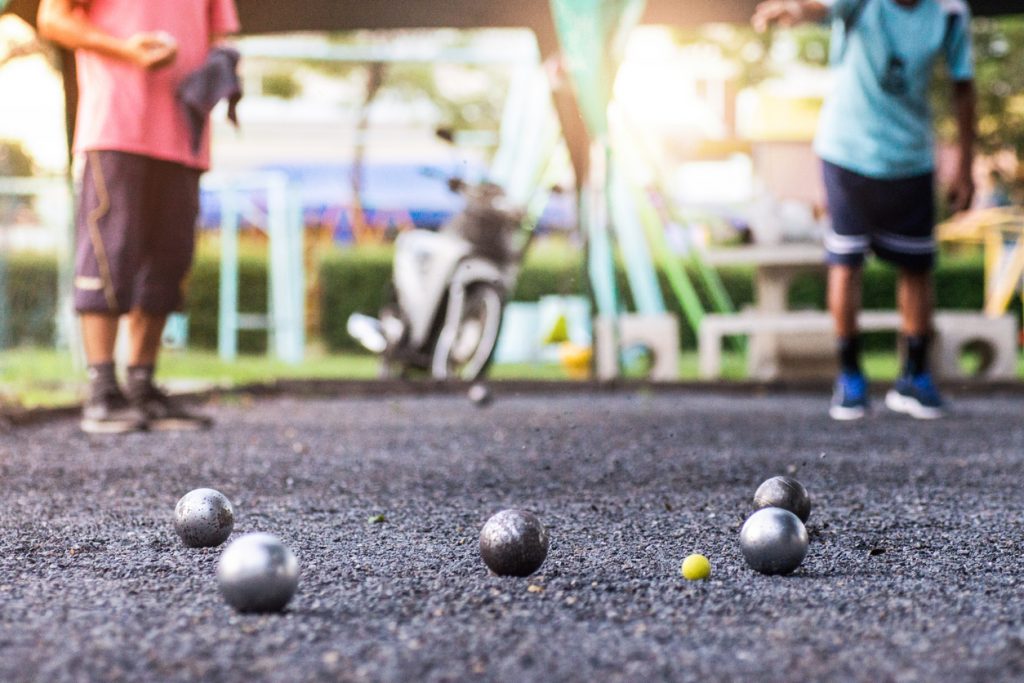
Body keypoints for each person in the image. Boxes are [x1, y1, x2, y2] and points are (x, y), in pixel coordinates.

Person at [753, 0, 976, 420]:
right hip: (847, 150)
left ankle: (914, 377)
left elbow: (963, 86)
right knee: (847, 260)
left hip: (910, 156)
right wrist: (793, 11)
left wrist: (964, 166)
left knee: (916, 266)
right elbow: (818, 6)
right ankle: (850, 377)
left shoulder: (948, 12)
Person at [37, 0, 240, 433]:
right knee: (109, 256)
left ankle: (143, 386)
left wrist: (222, 65)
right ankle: (102, 390)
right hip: (116, 128)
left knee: (170, 262)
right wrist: (128, 51)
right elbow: (52, 17)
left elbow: (220, 36)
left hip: (185, 133)